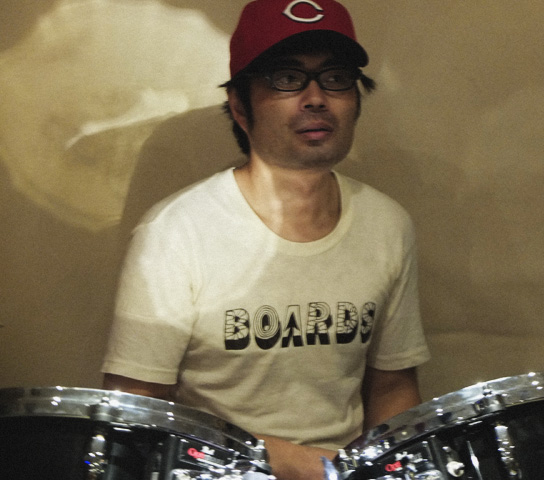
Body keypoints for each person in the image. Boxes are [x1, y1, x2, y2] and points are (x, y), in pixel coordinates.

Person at [101, 1, 430, 479]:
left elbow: (392, 387)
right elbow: (136, 410)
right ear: (240, 106)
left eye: (335, 78)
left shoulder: (387, 224)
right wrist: (307, 465)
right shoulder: (175, 233)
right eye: (287, 78)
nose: (315, 98)